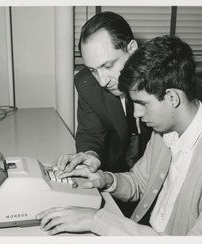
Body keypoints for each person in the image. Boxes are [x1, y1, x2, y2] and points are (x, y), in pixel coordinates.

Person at [37, 35, 202, 236]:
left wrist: (95, 220)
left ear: (172, 97)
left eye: (142, 104)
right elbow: (139, 182)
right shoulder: (165, 131)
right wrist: (106, 180)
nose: (136, 114)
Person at [57, 11, 152, 174]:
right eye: (93, 70)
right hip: (115, 170)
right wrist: (90, 155)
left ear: (132, 49)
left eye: (108, 66)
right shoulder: (87, 84)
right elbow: (90, 132)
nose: (102, 81)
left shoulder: (163, 79)